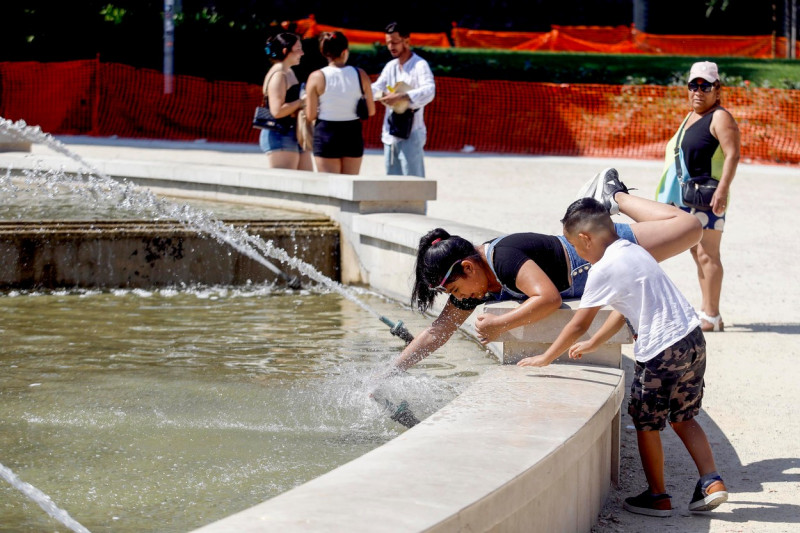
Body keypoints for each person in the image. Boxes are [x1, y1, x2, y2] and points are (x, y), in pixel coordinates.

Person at [518, 195, 728, 517]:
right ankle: (712, 482)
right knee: (685, 416)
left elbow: (578, 323)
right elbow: (625, 307)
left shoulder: (602, 269)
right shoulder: (635, 252)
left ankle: (657, 496)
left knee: (645, 421)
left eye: (575, 245)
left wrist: (546, 357)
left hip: (661, 349)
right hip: (692, 339)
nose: (576, 252)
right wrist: (594, 343)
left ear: (586, 238)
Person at [392, 168, 702, 372]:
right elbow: (437, 332)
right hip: (593, 268)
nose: (461, 298)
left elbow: (549, 299)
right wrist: (391, 372)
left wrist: (502, 325)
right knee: (684, 229)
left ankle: (613, 198)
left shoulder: (504, 257)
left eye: (456, 290)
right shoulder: (476, 283)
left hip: (596, 248)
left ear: (468, 267)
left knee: (689, 227)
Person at [655, 61, 740, 332]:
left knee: (708, 254)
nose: (698, 91)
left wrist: (723, 189)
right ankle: (707, 310)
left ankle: (712, 315)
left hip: (708, 196)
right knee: (696, 251)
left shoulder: (720, 117)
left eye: (705, 86)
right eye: (694, 85)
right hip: (687, 197)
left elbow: (733, 154)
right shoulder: (692, 115)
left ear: (717, 89)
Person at [305, 31, 375, 175]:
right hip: (352, 132)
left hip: (326, 132)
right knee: (349, 187)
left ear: (323, 52)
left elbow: (310, 115)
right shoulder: (360, 74)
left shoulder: (316, 76)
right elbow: (371, 111)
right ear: (345, 52)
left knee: (329, 187)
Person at [371, 22, 436, 177]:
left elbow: (429, 90)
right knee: (391, 183)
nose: (390, 46)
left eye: (394, 42)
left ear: (406, 41)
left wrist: (403, 96)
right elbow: (375, 88)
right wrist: (378, 95)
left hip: (412, 130)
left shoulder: (420, 65)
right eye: (387, 42)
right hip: (390, 131)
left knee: (414, 183)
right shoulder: (390, 66)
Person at [259, 33, 313, 171]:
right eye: (298, 49)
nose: (302, 53)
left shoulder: (288, 72)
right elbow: (276, 111)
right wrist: (302, 101)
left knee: (307, 181)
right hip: (279, 133)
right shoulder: (279, 75)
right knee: (286, 183)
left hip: (293, 131)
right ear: (285, 51)